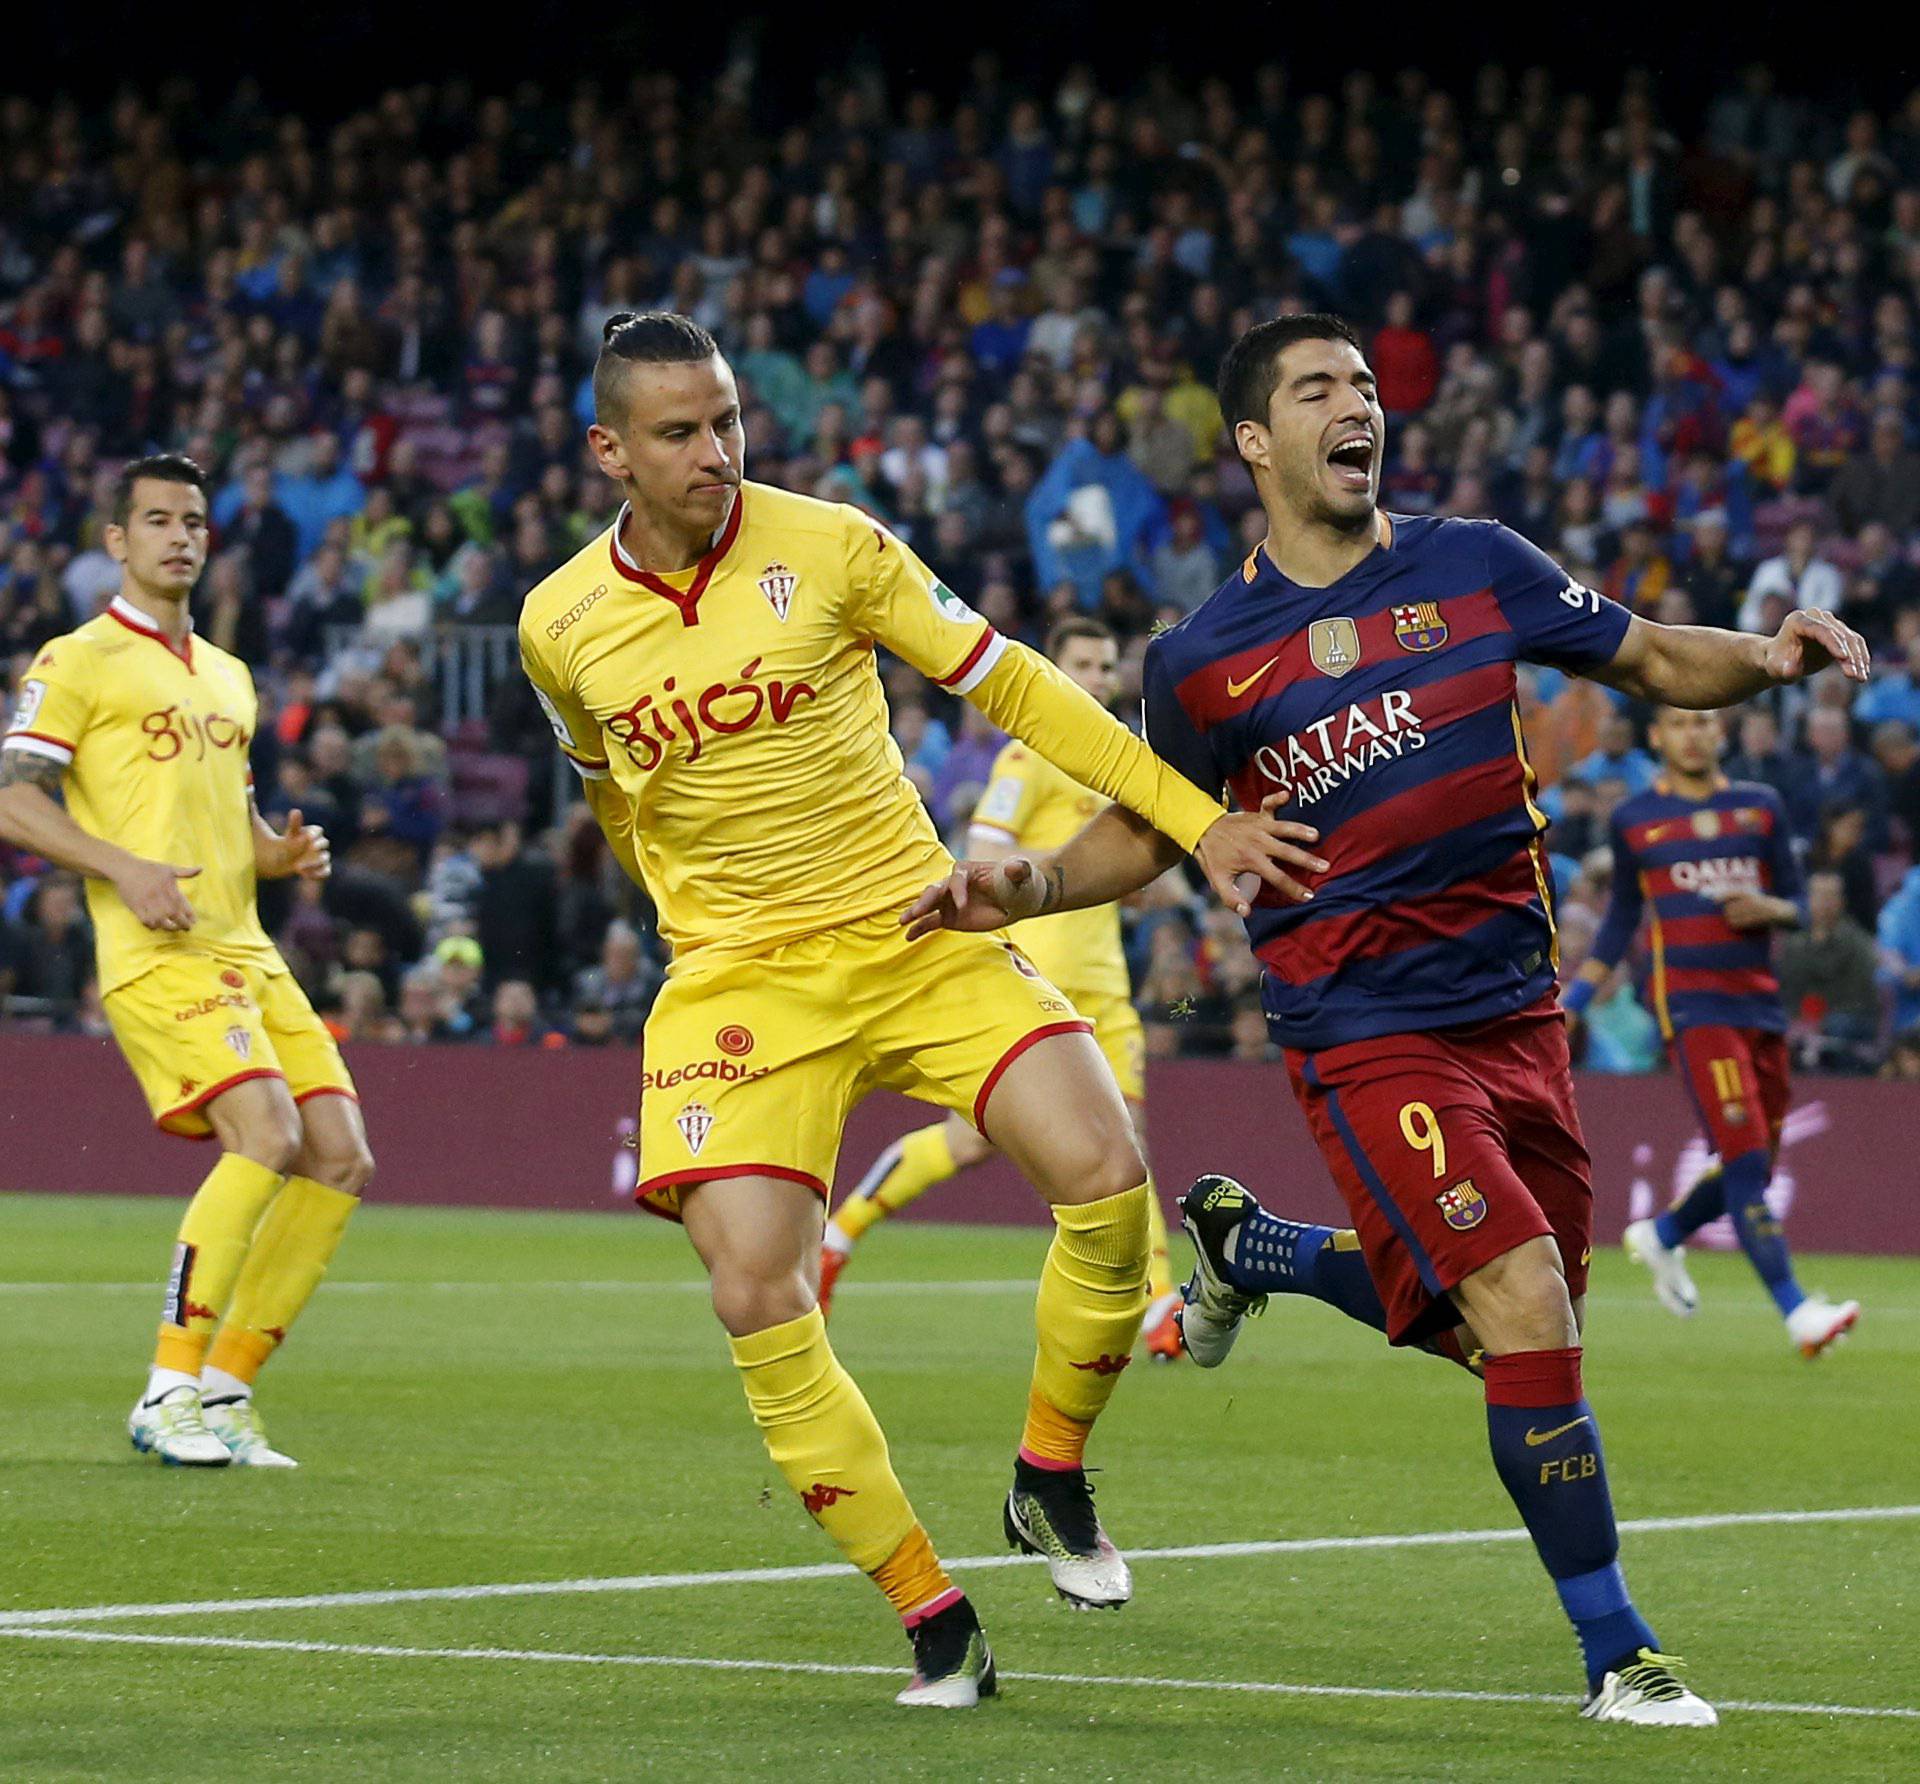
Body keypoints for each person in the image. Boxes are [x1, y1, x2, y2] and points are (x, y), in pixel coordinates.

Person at [904, 313, 1870, 1727]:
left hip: (1517, 1011)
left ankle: (1255, 1250)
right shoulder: (1204, 660)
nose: (1357, 406)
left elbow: (1658, 660)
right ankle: (1623, 1657)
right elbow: (1153, 834)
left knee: (1514, 1342)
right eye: (1319, 389)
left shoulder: (1475, 563)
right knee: (1523, 1299)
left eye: (1364, 386)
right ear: (1254, 440)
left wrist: (1769, 659)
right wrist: (1034, 881)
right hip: (1362, 1026)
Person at [516, 313, 1301, 1708]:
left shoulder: (833, 545)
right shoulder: (558, 625)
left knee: (1110, 1175)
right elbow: (607, 796)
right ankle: (933, 1618)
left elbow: (1013, 684)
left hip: (911, 925)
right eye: (682, 432)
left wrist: (1195, 818)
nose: (717, 452)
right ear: (610, 450)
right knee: (755, 1286)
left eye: (728, 421)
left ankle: (1049, 1472)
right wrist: (682, 917)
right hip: (737, 984)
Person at [0, 454, 374, 1469]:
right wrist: (124, 867)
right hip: (157, 950)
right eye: (157, 519)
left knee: (340, 1153)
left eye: (194, 521)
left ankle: (226, 1386)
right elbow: (14, 795)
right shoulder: (75, 659)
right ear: (115, 540)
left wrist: (280, 853)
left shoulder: (230, 674)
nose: (180, 536)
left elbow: (234, 825)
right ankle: (167, 1386)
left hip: (246, 945)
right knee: (265, 1129)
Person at [821, 618, 1185, 1362]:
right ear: (1058, 667)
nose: (1097, 675)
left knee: (1128, 1143)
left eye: (1106, 663)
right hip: (1044, 987)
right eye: (1082, 661)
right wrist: (1029, 883)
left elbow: (1130, 878)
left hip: (1108, 991)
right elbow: (983, 855)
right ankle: (840, 1232)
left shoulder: (1118, 760)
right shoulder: (1035, 752)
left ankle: (1159, 1311)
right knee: (972, 1142)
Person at [1565, 705, 1860, 1354]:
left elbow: (1802, 902)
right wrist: (1578, 997)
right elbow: (1619, 920)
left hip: (1759, 1006)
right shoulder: (1636, 819)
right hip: (1694, 1009)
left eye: (1704, 724)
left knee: (1755, 1158)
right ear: (1657, 736)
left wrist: (1772, 908)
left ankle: (1664, 1234)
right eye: (1678, 724)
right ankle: (1797, 1312)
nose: (1692, 734)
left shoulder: (1760, 808)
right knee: (1747, 1161)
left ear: (1719, 733)